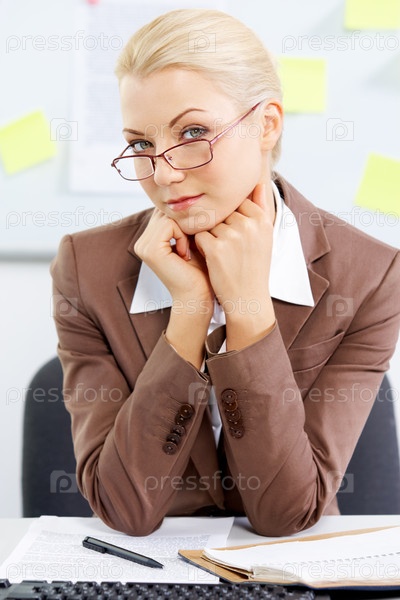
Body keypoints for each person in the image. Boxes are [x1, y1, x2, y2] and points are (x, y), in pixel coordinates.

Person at [51, 8, 400, 537]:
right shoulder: (85, 269)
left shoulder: (371, 277)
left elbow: (285, 515)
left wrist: (248, 311)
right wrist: (190, 313)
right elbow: (125, 511)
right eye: (141, 144)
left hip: (289, 567)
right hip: (148, 567)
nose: (164, 173)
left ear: (267, 124)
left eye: (194, 131)